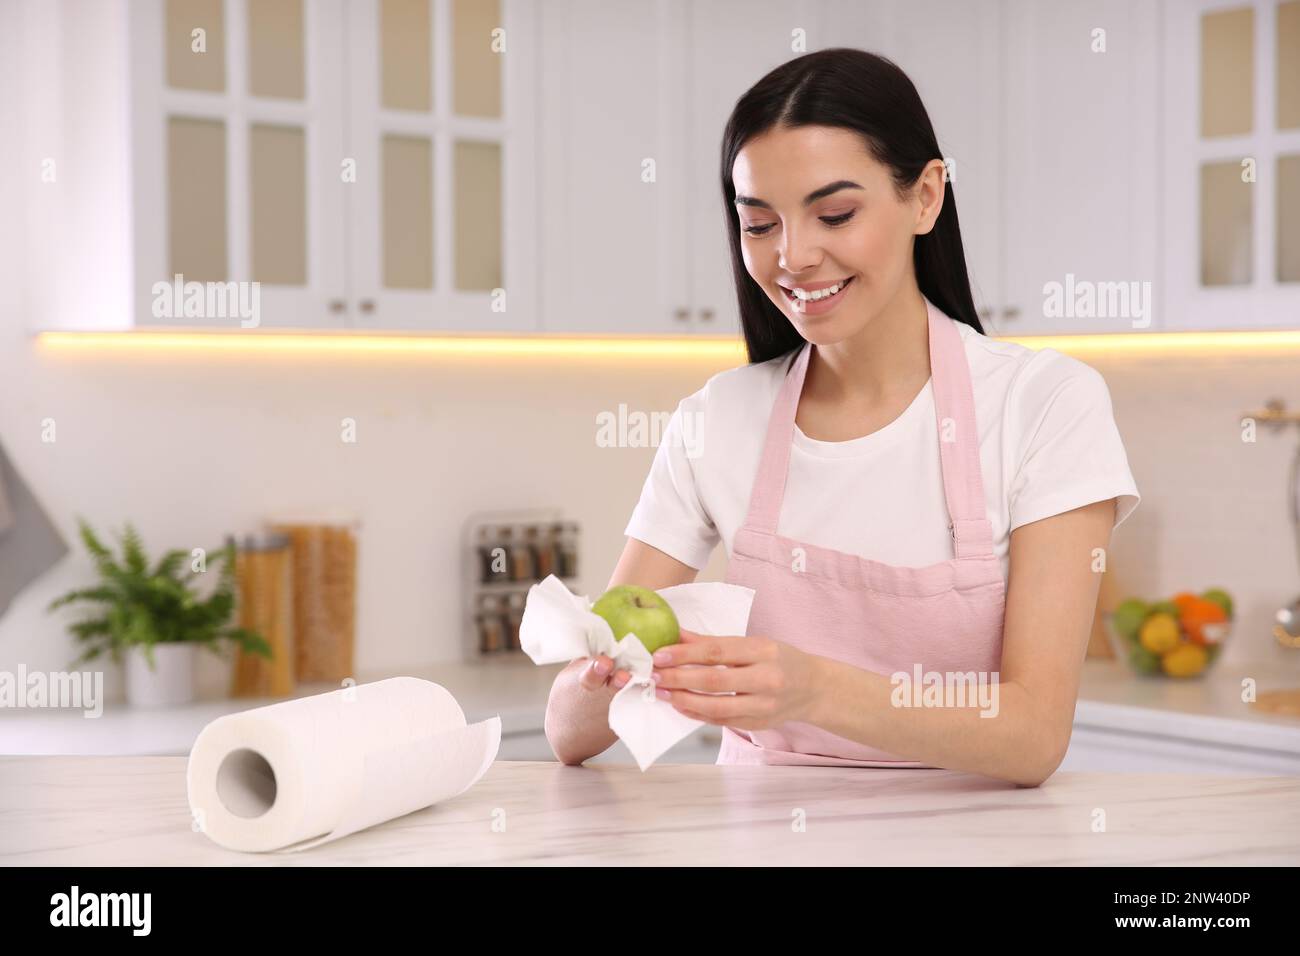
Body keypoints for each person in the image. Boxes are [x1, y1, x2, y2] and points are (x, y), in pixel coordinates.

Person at [544, 48, 1139, 786]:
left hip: (976, 841)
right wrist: (596, 679)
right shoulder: (718, 420)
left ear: (925, 196)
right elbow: (569, 736)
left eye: (834, 214)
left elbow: (1034, 733)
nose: (793, 258)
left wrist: (816, 689)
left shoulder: (1045, 404)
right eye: (759, 225)